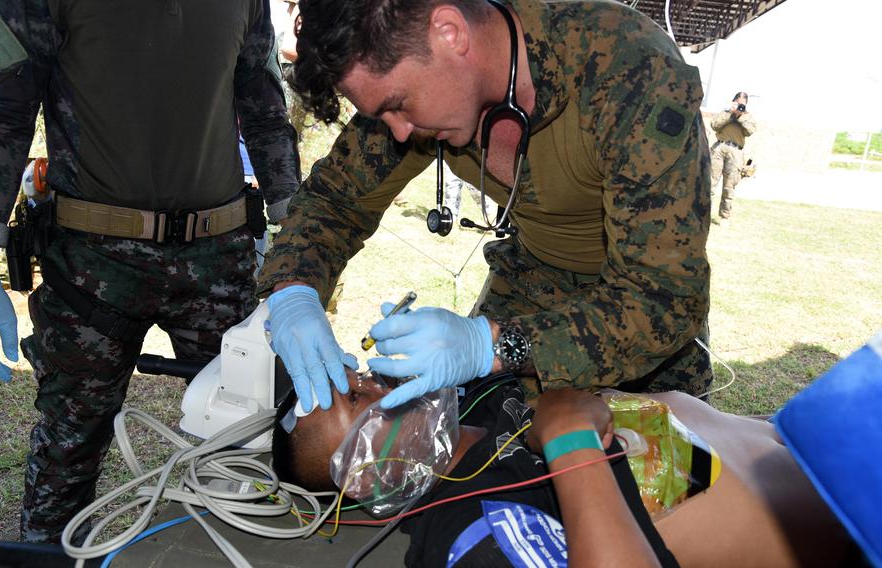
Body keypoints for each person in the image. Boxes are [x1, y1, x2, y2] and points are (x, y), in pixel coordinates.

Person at [259, 0, 714, 415]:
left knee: (653, 478)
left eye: (398, 105)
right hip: (530, 280)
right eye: (383, 116)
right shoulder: (413, 83)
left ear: (450, 32)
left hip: (640, 321)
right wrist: (293, 293)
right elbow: (336, 200)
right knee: (480, 443)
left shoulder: (629, 68)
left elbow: (663, 299)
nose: (398, 133)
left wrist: (488, 347)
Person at [0, 0, 299, 543]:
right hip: (92, 269)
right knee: (69, 449)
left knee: (243, 446)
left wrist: (296, 241)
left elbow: (265, 109)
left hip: (218, 257)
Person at [274, 368, 853, 567]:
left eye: (355, 376)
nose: (377, 383)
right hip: (858, 526)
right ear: (371, 474)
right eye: (357, 401)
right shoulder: (472, 528)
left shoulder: (482, 405)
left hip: (831, 441)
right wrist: (572, 441)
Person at [710, 92, 757, 224]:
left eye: (742, 104)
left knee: (729, 186)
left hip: (736, 152)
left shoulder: (748, 117)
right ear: (733, 102)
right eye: (738, 103)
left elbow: (750, 131)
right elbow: (714, 125)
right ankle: (703, 214)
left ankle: (724, 217)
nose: (740, 107)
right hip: (719, 148)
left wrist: (740, 117)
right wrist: (731, 115)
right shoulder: (726, 112)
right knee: (710, 183)